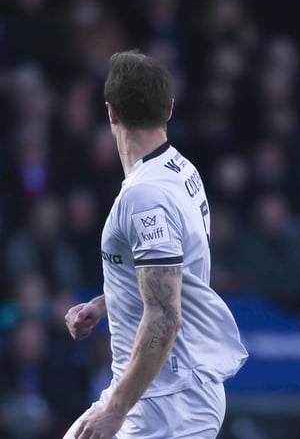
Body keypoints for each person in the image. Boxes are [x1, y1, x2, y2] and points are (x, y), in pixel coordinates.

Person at [62, 50, 249, 439]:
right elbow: (170, 276)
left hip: (169, 403)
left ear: (110, 111)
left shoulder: (145, 195)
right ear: (169, 109)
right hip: (150, 391)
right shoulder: (181, 170)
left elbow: (164, 316)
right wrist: (106, 303)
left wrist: (115, 410)